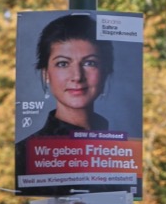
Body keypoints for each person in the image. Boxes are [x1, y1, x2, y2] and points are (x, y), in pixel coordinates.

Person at [15, 14, 116, 194]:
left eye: (90, 63)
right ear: (46, 74)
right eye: (62, 63)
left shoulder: (121, 152)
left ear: (106, 71)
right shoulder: (24, 154)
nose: (77, 76)